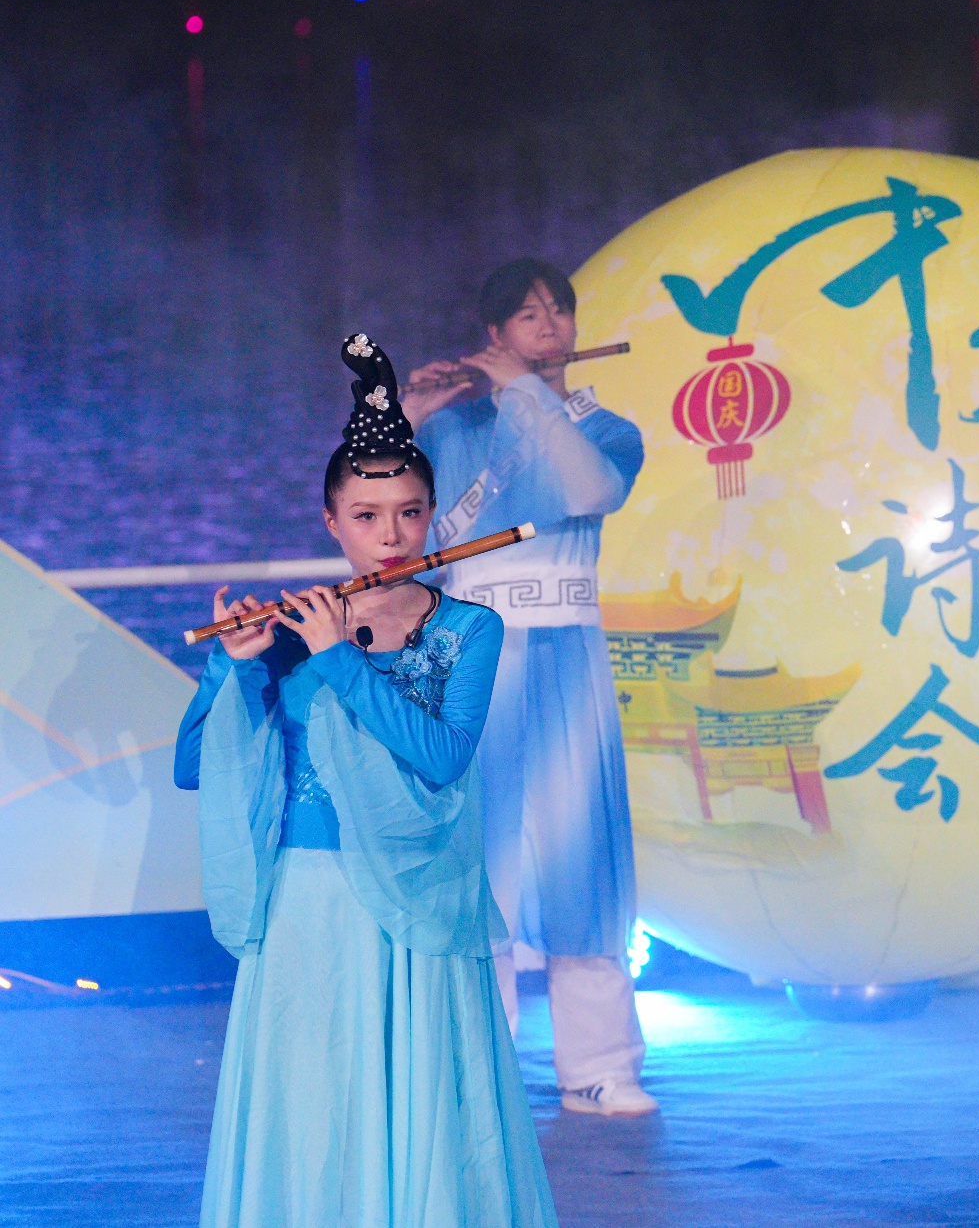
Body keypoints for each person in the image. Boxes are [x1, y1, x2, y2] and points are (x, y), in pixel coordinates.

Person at [174, 334, 557, 1226]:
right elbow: (198, 766)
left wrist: (339, 659)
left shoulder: (469, 627)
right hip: (306, 904)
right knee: (316, 1106)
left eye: (409, 512)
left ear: (432, 515)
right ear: (332, 522)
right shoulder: (292, 627)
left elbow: (443, 755)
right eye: (367, 515)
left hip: (417, 898)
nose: (390, 535)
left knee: (422, 1106)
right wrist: (232, 665)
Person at [403, 258, 653, 1117]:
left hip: (568, 656)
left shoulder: (607, 429)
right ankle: (482, 1067)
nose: (549, 326)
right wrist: (409, 416)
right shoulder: (451, 428)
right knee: (482, 862)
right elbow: (391, 532)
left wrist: (526, 395)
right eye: (527, 315)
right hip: (476, 658)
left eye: (559, 312)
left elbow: (589, 490)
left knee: (584, 855)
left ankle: (600, 1068)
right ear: (495, 334)